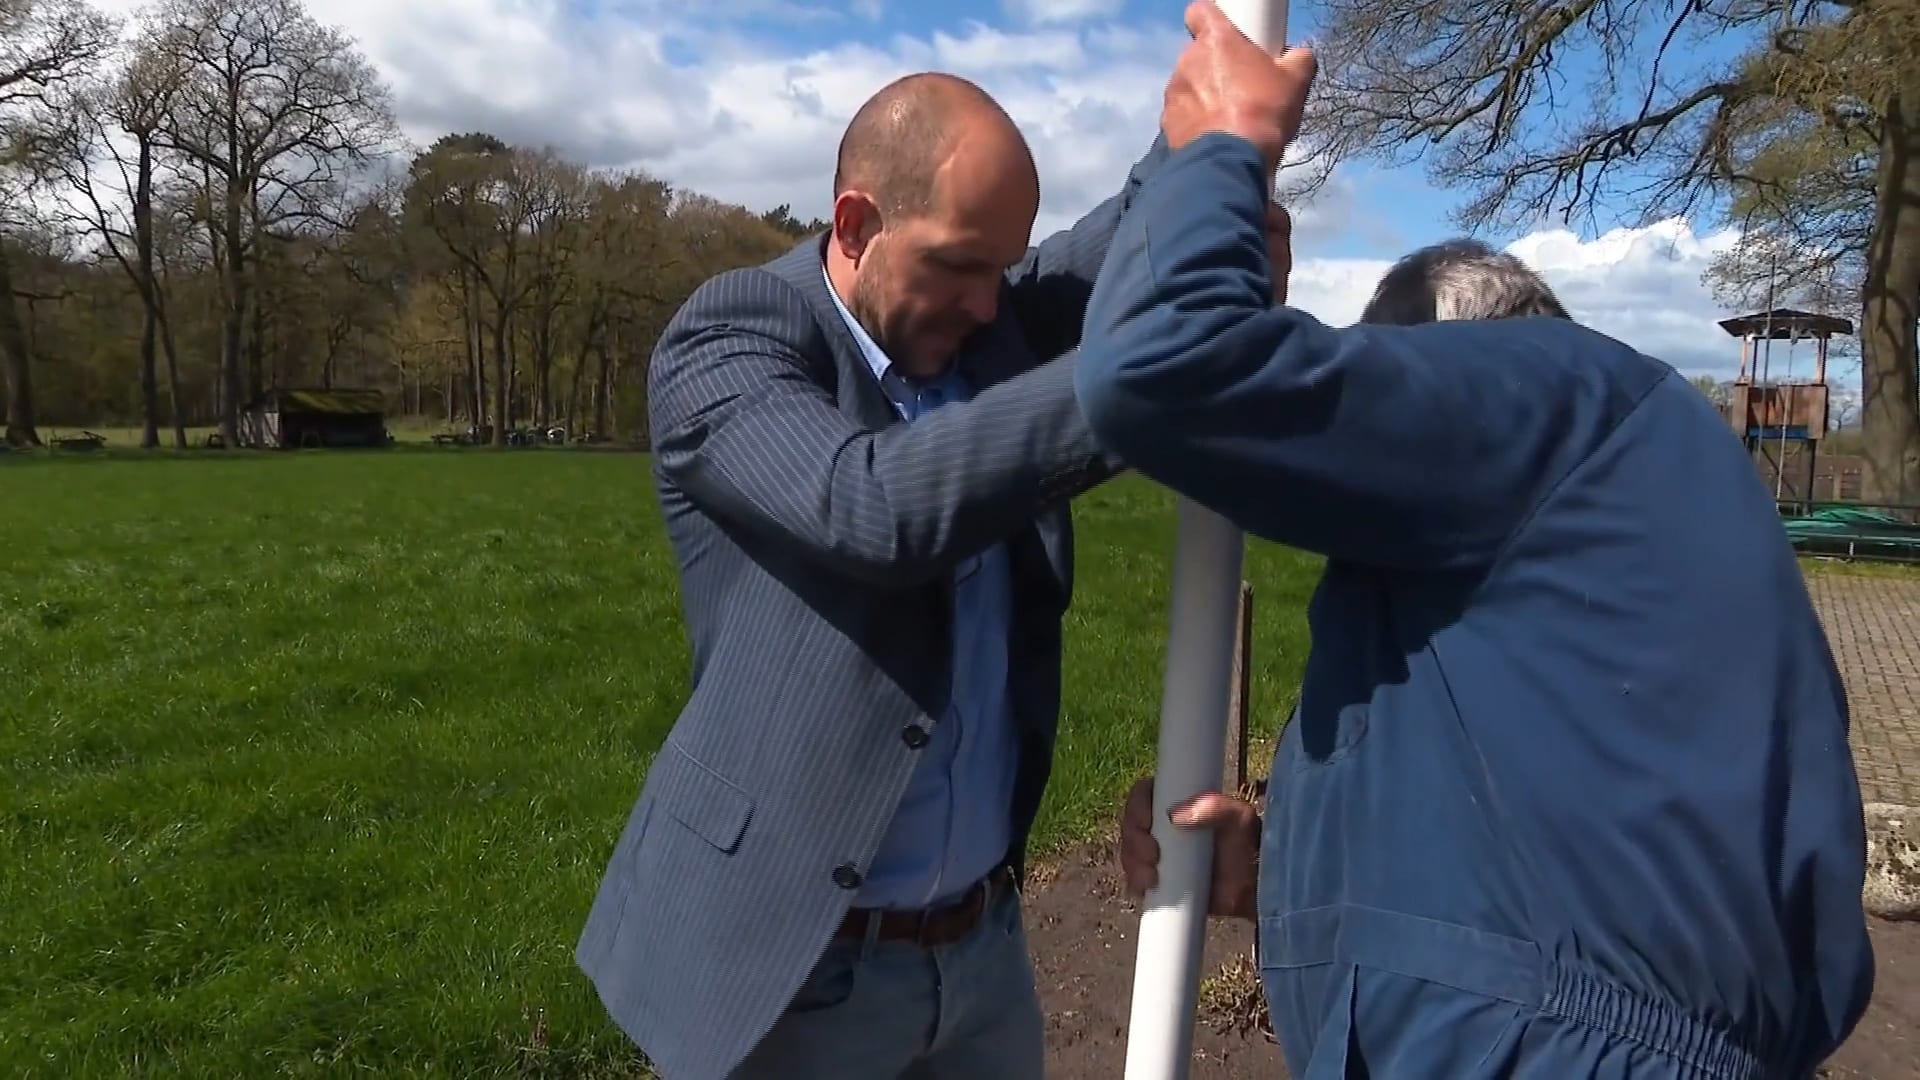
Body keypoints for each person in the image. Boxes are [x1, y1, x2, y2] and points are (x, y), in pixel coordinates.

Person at [1085, 3, 1876, 1076]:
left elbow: (1158, 372)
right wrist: (1275, 874)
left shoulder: (1543, 398)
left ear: (1449, 365)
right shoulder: (1626, 499)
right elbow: (1547, 831)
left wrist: (1220, 154)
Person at [574, 71, 1170, 1080]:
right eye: (958, 266)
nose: (987, 304)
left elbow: (1139, 226)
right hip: (794, 975)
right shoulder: (732, 337)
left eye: (1005, 269)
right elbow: (875, 508)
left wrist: (1210, 122)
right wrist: (1158, 372)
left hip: (981, 960)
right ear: (856, 220)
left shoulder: (985, 323)